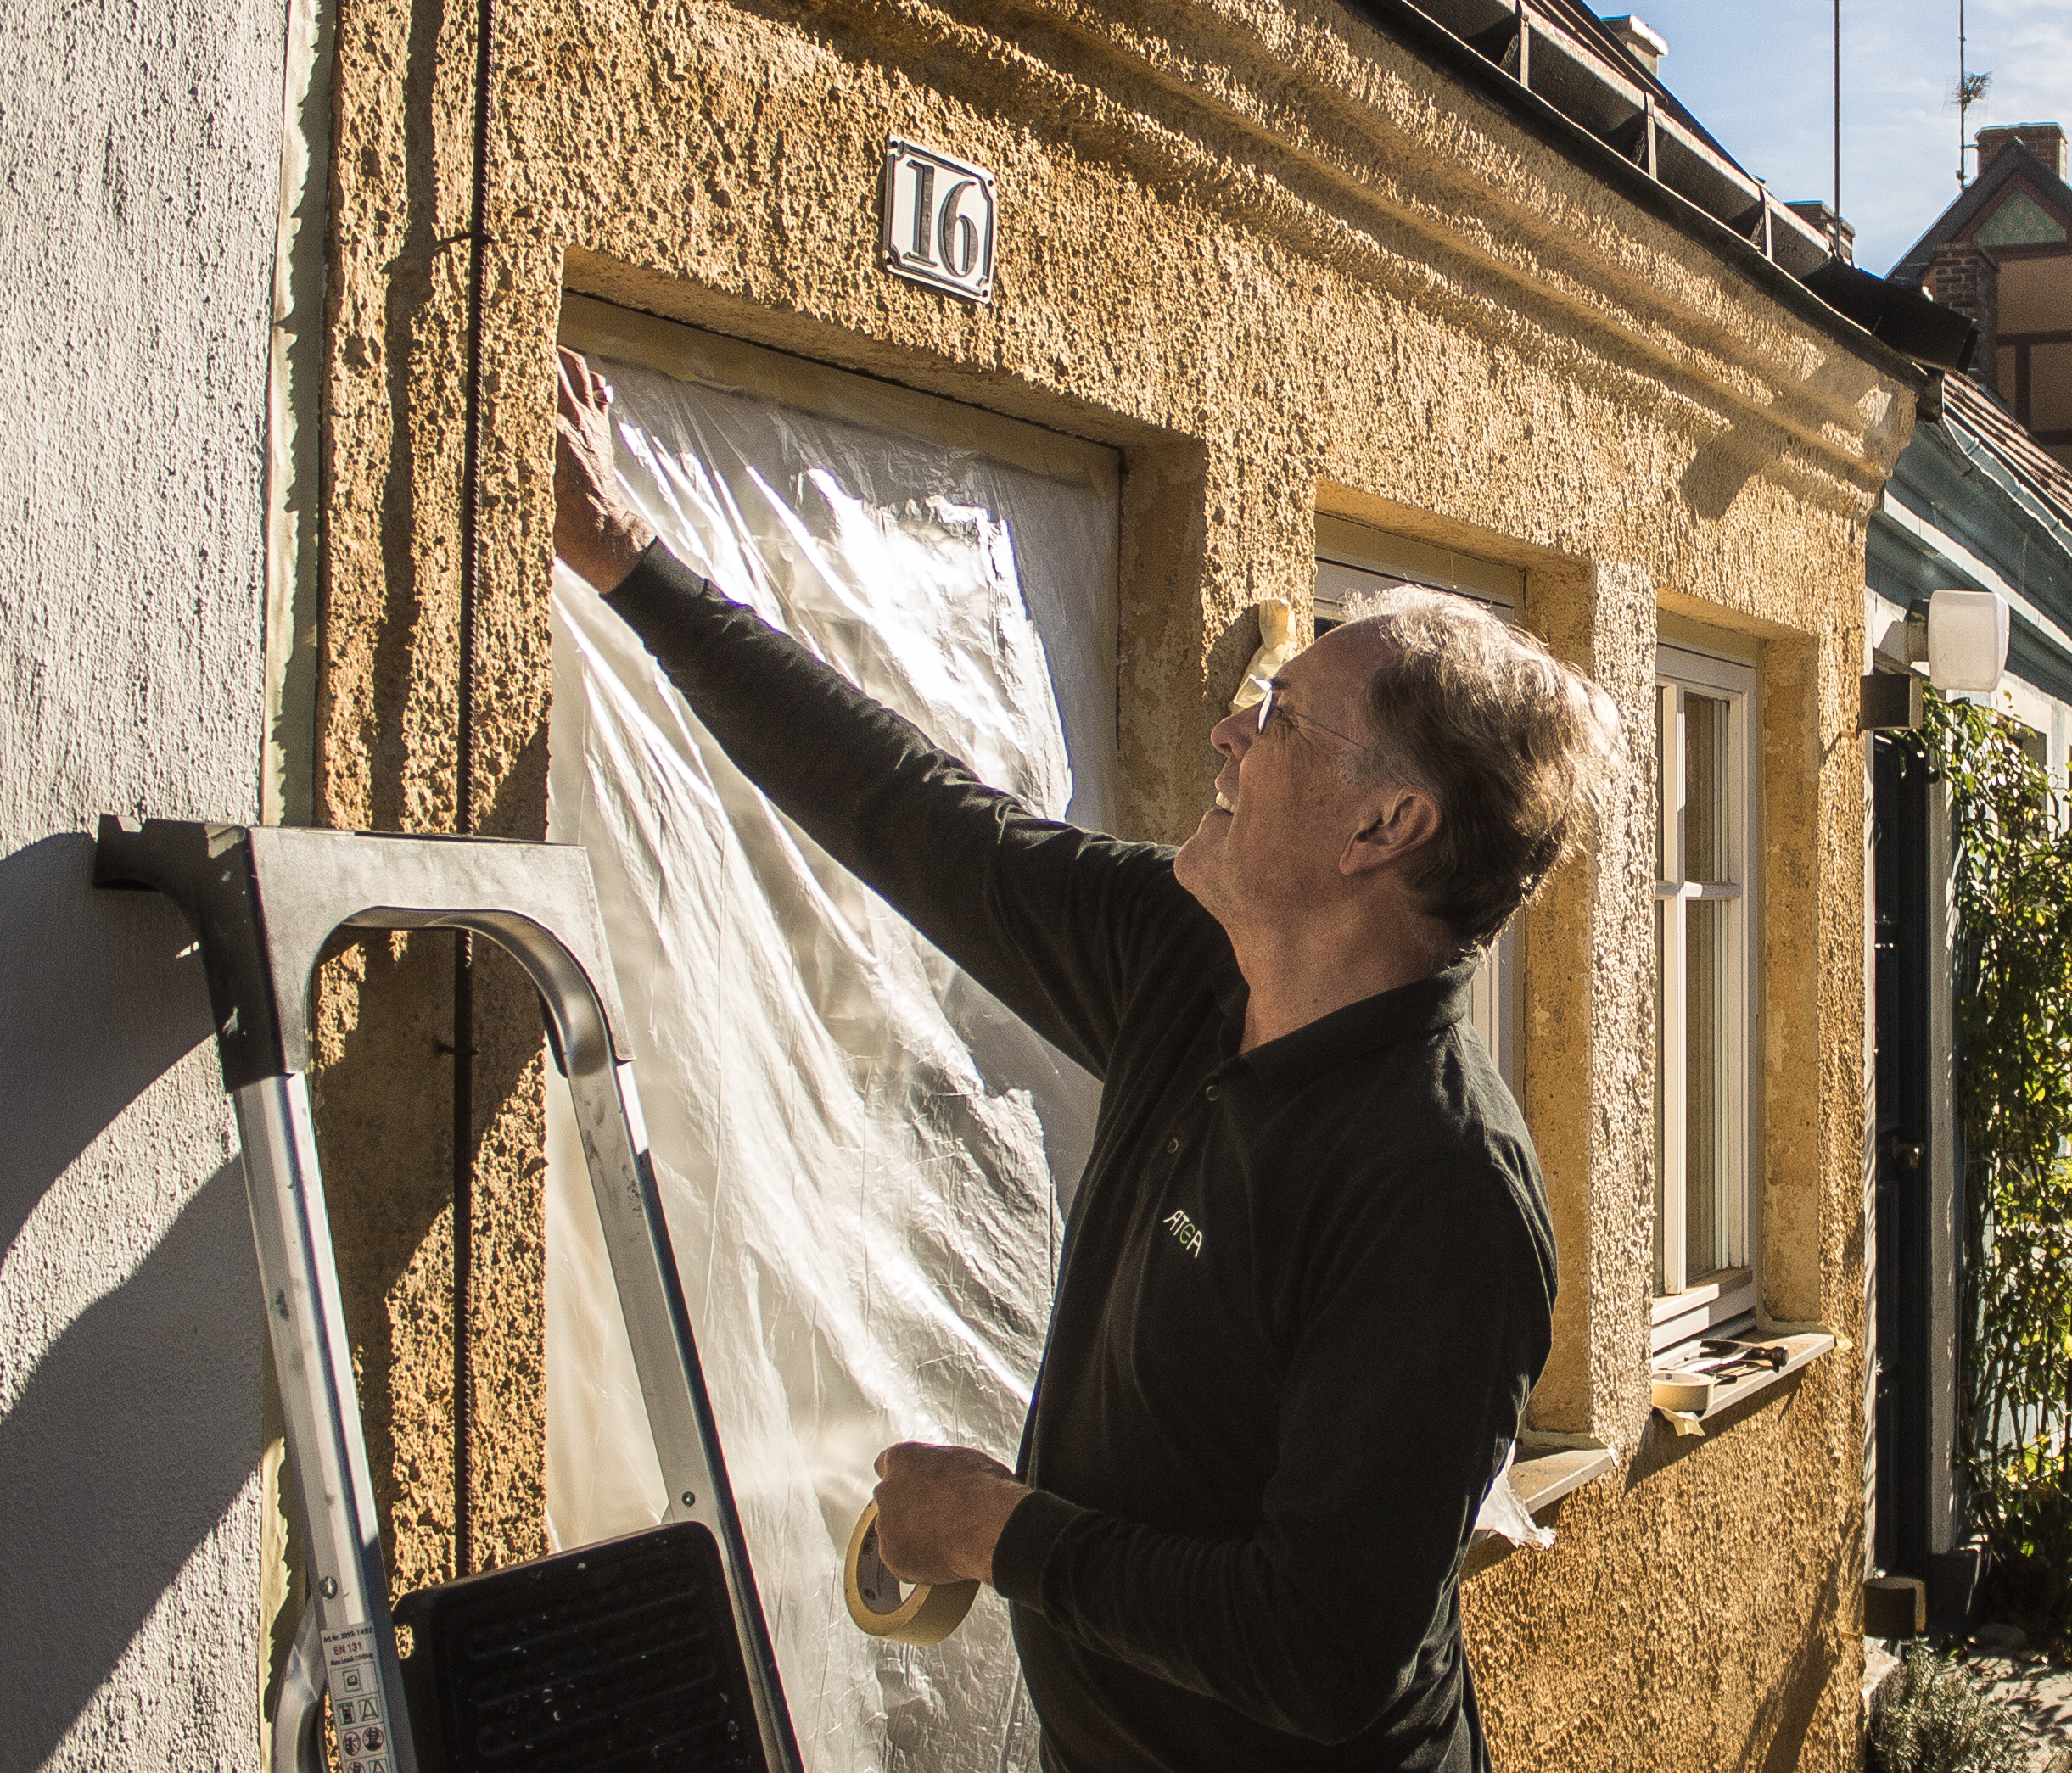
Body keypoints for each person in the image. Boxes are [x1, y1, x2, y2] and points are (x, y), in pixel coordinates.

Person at [548, 350, 1621, 1770]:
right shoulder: (1188, 964)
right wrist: (625, 557)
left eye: (1287, 718)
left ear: (1387, 831)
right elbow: (911, 814)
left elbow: (1318, 1648)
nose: (1233, 731)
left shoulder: (1434, 1188)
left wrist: (997, 1531)